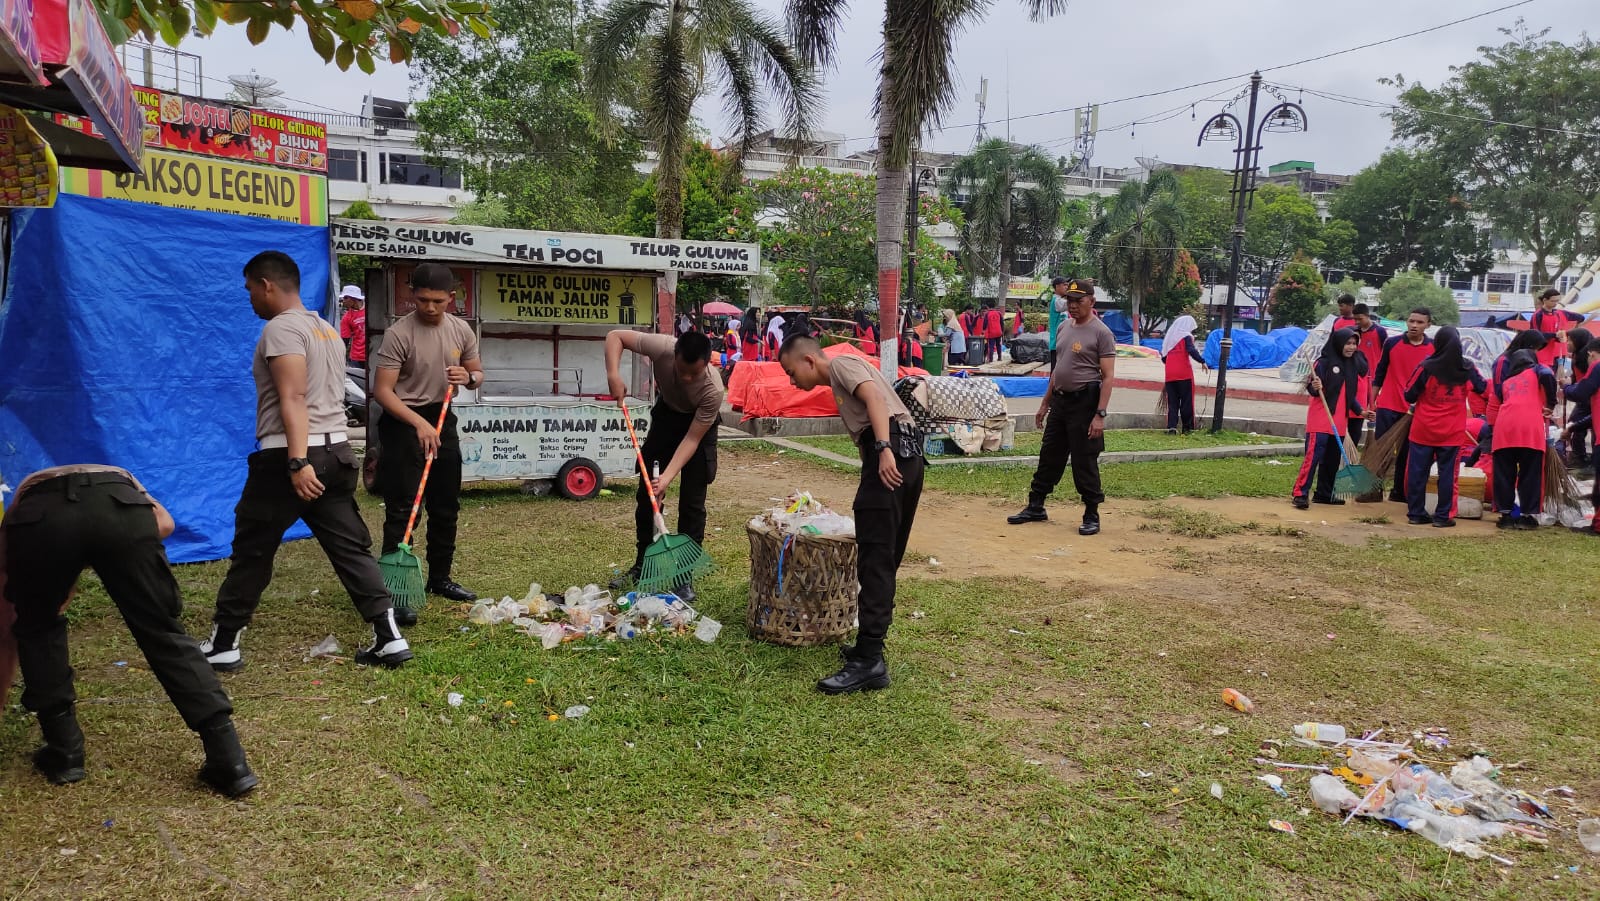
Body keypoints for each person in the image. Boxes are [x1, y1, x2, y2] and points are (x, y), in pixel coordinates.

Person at [203, 251, 411, 672]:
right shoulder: (326, 331)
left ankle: (224, 643)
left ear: (267, 285)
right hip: (336, 453)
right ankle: (389, 638)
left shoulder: (282, 330)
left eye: (249, 290)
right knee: (350, 549)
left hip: (293, 454)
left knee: (253, 549)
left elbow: (293, 397)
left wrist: (297, 463)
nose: (249, 300)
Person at [1, 466, 258, 797]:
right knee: (163, 631)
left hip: (43, 520)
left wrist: (59, 575)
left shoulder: (29, 489)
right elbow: (164, 524)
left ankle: (64, 753)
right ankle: (230, 761)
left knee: (38, 627)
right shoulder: (122, 477)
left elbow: (9, 555)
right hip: (122, 512)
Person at [777, 335, 924, 694]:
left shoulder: (842, 364)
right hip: (902, 453)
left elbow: (875, 398)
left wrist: (883, 450)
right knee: (883, 557)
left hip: (891, 453)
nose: (791, 381)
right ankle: (868, 648)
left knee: (875, 559)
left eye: (791, 371)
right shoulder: (840, 382)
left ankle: (869, 661)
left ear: (809, 360)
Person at [372, 263, 484, 617]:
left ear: (451, 298)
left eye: (438, 301)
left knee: (445, 502)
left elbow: (478, 373)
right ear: (412, 296)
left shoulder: (461, 330)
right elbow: (382, 392)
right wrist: (418, 424)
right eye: (422, 300)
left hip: (442, 417)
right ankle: (394, 588)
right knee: (404, 506)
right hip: (404, 419)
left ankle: (440, 578)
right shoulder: (398, 334)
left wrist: (468, 377)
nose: (430, 308)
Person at [605, 330, 723, 601]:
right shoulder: (662, 347)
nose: (686, 378)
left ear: (706, 363)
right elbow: (615, 337)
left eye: (694, 373)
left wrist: (668, 477)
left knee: (692, 504)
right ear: (675, 355)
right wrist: (613, 374)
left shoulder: (713, 390)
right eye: (682, 370)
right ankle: (642, 564)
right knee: (647, 495)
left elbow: (693, 439)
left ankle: (684, 577)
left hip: (698, 431)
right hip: (667, 418)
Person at [1008, 278, 1115, 535]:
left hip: (1085, 403)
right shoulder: (1065, 327)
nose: (1073, 305)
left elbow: (1108, 377)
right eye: (1070, 301)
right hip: (1060, 401)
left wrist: (1100, 415)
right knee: (1049, 455)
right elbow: (1058, 369)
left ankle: (1091, 513)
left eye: (1078, 301)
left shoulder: (1102, 333)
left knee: (1083, 459)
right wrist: (1045, 402)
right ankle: (1036, 506)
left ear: (1091, 301)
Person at [1401, 327, 1487, 527]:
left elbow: (1409, 395)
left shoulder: (1426, 367)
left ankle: (1415, 513)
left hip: (1423, 429)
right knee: (1448, 475)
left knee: (1417, 473)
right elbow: (1482, 388)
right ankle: (1443, 516)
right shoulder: (1468, 367)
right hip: (1452, 432)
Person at [1292, 328, 1367, 509]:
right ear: (1338, 343)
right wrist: (1315, 385)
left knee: (1332, 460)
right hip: (1321, 418)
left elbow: (1348, 395)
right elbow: (1311, 389)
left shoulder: (1352, 365)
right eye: (1348, 343)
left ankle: (1325, 494)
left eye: (1354, 343)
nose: (1351, 347)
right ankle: (1300, 493)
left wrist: (1360, 411)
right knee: (1313, 457)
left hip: (1340, 421)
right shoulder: (1322, 363)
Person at [1373, 307, 1434, 502]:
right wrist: (1371, 402)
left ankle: (1399, 492)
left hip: (1414, 410)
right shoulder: (1392, 343)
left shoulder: (1433, 348)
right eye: (1411, 321)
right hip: (1388, 405)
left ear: (1428, 325)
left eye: (1420, 322)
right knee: (1381, 449)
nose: (1414, 325)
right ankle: (1373, 490)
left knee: (1407, 454)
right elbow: (1379, 375)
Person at [1491, 349, 1557, 529]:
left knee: (1504, 474)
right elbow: (1547, 376)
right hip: (1530, 429)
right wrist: (1551, 403)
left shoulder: (1507, 381)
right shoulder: (1538, 370)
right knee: (1530, 474)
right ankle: (1528, 517)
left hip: (1504, 429)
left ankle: (1505, 516)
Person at [1159, 314, 1206, 434]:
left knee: (1172, 402)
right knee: (1186, 401)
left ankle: (1172, 427)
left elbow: (1164, 358)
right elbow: (1191, 350)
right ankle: (1187, 427)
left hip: (1170, 374)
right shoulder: (1186, 337)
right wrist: (1202, 361)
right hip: (1184, 373)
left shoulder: (1169, 340)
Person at [1352, 303, 1387, 444]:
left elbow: (1385, 355)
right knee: (1358, 409)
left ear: (1367, 316)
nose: (1357, 322)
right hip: (1357, 378)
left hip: (1373, 379)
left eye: (1360, 319)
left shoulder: (1380, 332)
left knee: (1373, 410)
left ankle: (1372, 442)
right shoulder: (1355, 332)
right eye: (1355, 319)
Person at [1561, 329, 1595, 470]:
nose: (1567, 343)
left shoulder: (1587, 358)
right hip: (1583, 397)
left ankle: (1581, 460)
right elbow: (1576, 377)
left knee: (1577, 427)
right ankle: (1581, 458)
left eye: (1570, 340)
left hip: (1589, 398)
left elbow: (1587, 381)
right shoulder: (1576, 356)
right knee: (1577, 426)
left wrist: (1568, 388)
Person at [1529, 287, 1578, 369]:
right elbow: (1534, 335)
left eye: (1557, 301)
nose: (1555, 303)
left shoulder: (1559, 313)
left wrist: (1574, 330)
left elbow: (1580, 317)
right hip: (1543, 353)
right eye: (1553, 301)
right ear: (1545, 300)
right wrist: (1554, 335)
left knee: (1565, 375)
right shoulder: (1538, 315)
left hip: (1560, 352)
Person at [338, 285, 367, 365]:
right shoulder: (346, 318)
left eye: (346, 298)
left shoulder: (372, 309)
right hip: (357, 357)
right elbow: (345, 341)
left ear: (354, 298)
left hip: (373, 353)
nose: (343, 301)